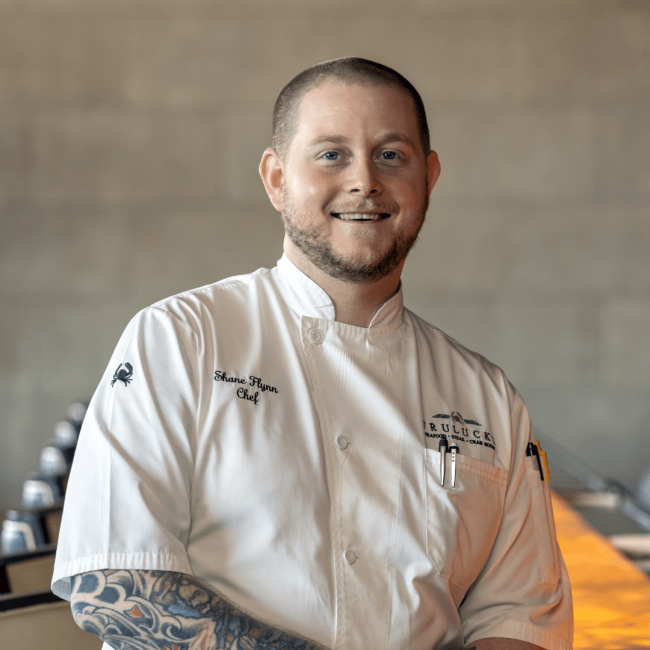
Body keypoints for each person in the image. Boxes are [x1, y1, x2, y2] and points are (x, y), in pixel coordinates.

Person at [52, 57, 573, 650]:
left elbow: (518, 620)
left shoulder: (487, 397)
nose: (364, 182)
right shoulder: (180, 339)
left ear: (428, 176)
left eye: (391, 155)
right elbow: (111, 585)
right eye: (331, 154)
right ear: (276, 179)